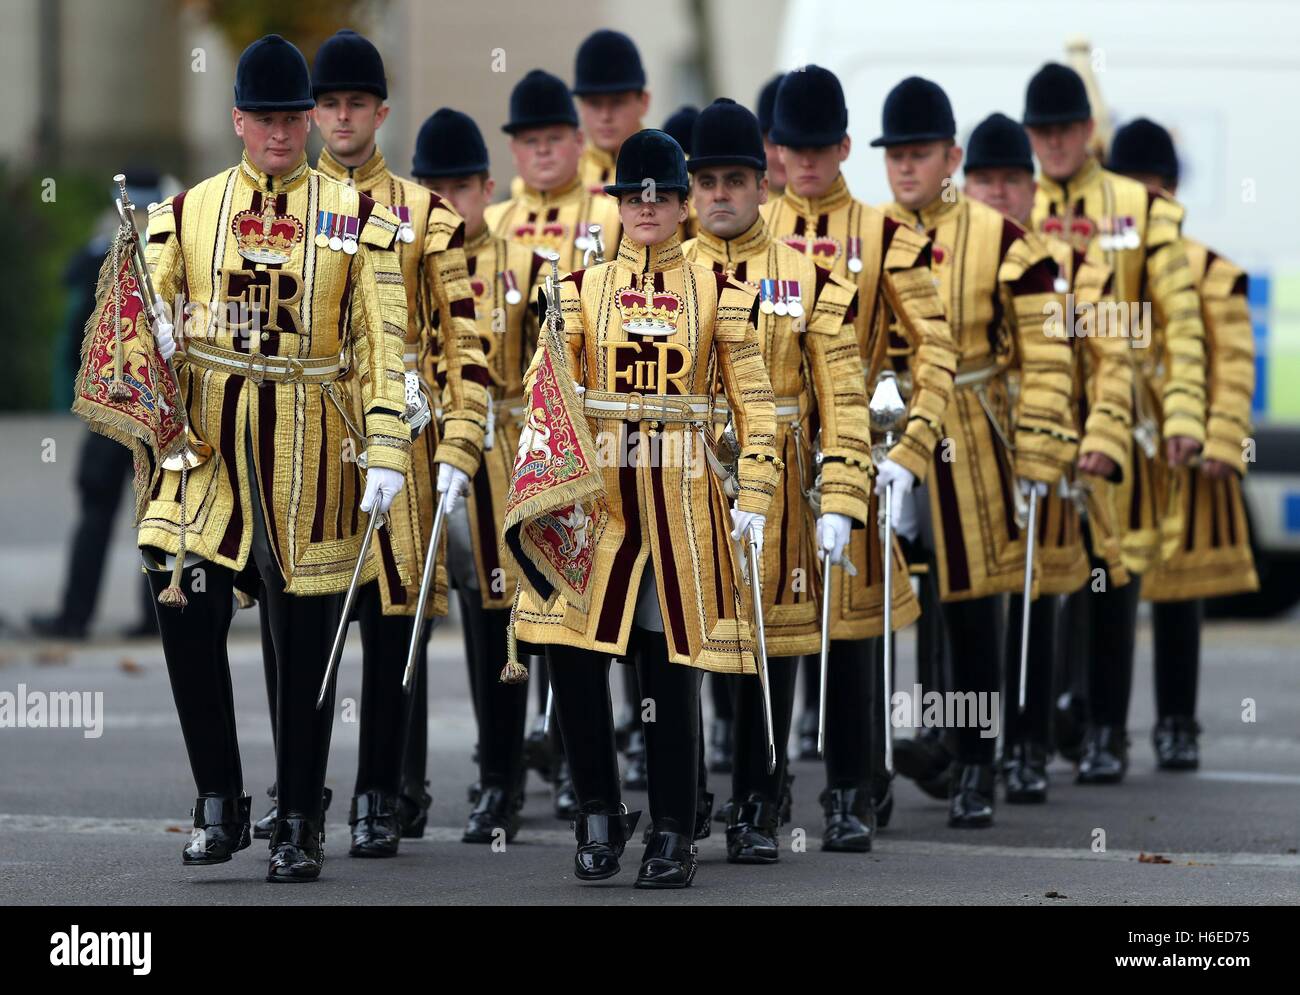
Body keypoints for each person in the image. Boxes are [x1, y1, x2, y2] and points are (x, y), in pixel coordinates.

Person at [134, 34, 476, 883]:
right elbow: (136, 318)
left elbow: (380, 336)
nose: (283, 133)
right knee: (182, 597)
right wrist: (157, 339)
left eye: (295, 117)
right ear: (238, 119)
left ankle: (297, 816)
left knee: (307, 634)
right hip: (210, 443)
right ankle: (218, 797)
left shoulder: (362, 218)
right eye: (268, 118)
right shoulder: (185, 212)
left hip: (313, 440)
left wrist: (391, 442)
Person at [512, 130, 779, 888]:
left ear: (685, 200)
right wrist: (542, 489)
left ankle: (672, 826)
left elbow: (757, 410)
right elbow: (544, 398)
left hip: (682, 499)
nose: (649, 206)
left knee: (670, 668)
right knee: (575, 654)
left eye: (661, 193)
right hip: (596, 500)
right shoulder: (575, 290)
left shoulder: (722, 294)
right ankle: (597, 810)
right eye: (635, 195)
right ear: (619, 202)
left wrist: (754, 493)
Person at [246, 29, 480, 862]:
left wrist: (460, 437)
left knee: (392, 618)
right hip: (302, 434)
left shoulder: (428, 215)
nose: (342, 117)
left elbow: (464, 340)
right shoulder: (275, 207)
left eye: (357, 103)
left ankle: (383, 790)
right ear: (312, 113)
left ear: (382, 112)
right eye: (329, 103)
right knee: (292, 616)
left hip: (399, 441)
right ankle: (296, 789)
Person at [876, 77, 1077, 827]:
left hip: (969, 432)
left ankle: (976, 762)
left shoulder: (1005, 240)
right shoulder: (870, 233)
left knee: (967, 603)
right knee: (881, 600)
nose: (905, 167)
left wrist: (1037, 451)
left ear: (950, 156)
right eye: (895, 154)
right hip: (883, 430)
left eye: (920, 153)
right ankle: (877, 762)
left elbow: (1050, 355)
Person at [764, 65, 956, 848]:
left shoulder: (889, 235)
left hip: (856, 452)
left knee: (854, 629)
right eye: (792, 148)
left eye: (820, 147)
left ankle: (850, 787)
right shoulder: (749, 230)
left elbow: (937, 350)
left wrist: (910, 449)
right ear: (773, 149)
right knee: (765, 621)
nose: (806, 162)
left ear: (844, 145)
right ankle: (762, 786)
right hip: (767, 457)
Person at [683, 97, 870, 862]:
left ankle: (759, 802)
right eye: (707, 181)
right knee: (685, 647)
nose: (721, 194)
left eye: (736, 179)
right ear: (690, 189)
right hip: (684, 481)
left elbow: (845, 399)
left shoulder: (812, 280)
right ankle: (686, 795)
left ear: (766, 184)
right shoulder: (666, 273)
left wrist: (844, 491)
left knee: (771, 644)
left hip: (785, 484)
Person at [1024, 63, 1207, 783]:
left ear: (1088, 131)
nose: (1055, 142)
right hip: (1032, 415)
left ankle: (1106, 730)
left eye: (1066, 129)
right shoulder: (1016, 204)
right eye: (1043, 131)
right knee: (1035, 579)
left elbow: (1183, 321)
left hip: (1120, 415)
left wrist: (1185, 411)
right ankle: (1028, 736)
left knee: (1109, 572)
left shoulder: (1139, 205)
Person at [962, 111, 1133, 802]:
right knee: (963, 603)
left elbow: (1114, 355)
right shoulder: (940, 258)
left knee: (1035, 597)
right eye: (985, 181)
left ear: (1033, 192)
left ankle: (1027, 747)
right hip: (961, 449)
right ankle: (961, 746)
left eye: (1011, 181)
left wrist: (1103, 437)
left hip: (1049, 447)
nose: (999, 195)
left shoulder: (1082, 267)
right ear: (964, 186)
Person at [411, 106, 548, 840]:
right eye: (432, 188)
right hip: (416, 445)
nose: (447, 202)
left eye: (461, 187)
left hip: (501, 448)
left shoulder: (527, 266)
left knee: (500, 624)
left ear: (488, 187)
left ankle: (500, 779)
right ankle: (400, 783)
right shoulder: (399, 264)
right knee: (406, 615)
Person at [1107, 116, 1258, 770]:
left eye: (1146, 188)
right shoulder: (1099, 270)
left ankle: (1176, 721)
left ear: (1168, 190)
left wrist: (1223, 436)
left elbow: (1231, 361)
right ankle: (1092, 721)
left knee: (1177, 594)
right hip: (1114, 456)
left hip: (1183, 458)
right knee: (1100, 593)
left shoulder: (1210, 270)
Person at [30, 170, 164, 641]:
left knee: (96, 511)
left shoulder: (102, 246)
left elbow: (74, 317)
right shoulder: (175, 242)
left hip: (110, 402)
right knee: (158, 516)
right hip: (158, 407)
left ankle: (75, 616)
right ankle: (159, 619)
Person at [572, 30, 650, 194]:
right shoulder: (562, 180)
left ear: (644, 102)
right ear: (580, 108)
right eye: (594, 104)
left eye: (617, 102)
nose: (605, 116)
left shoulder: (681, 172)